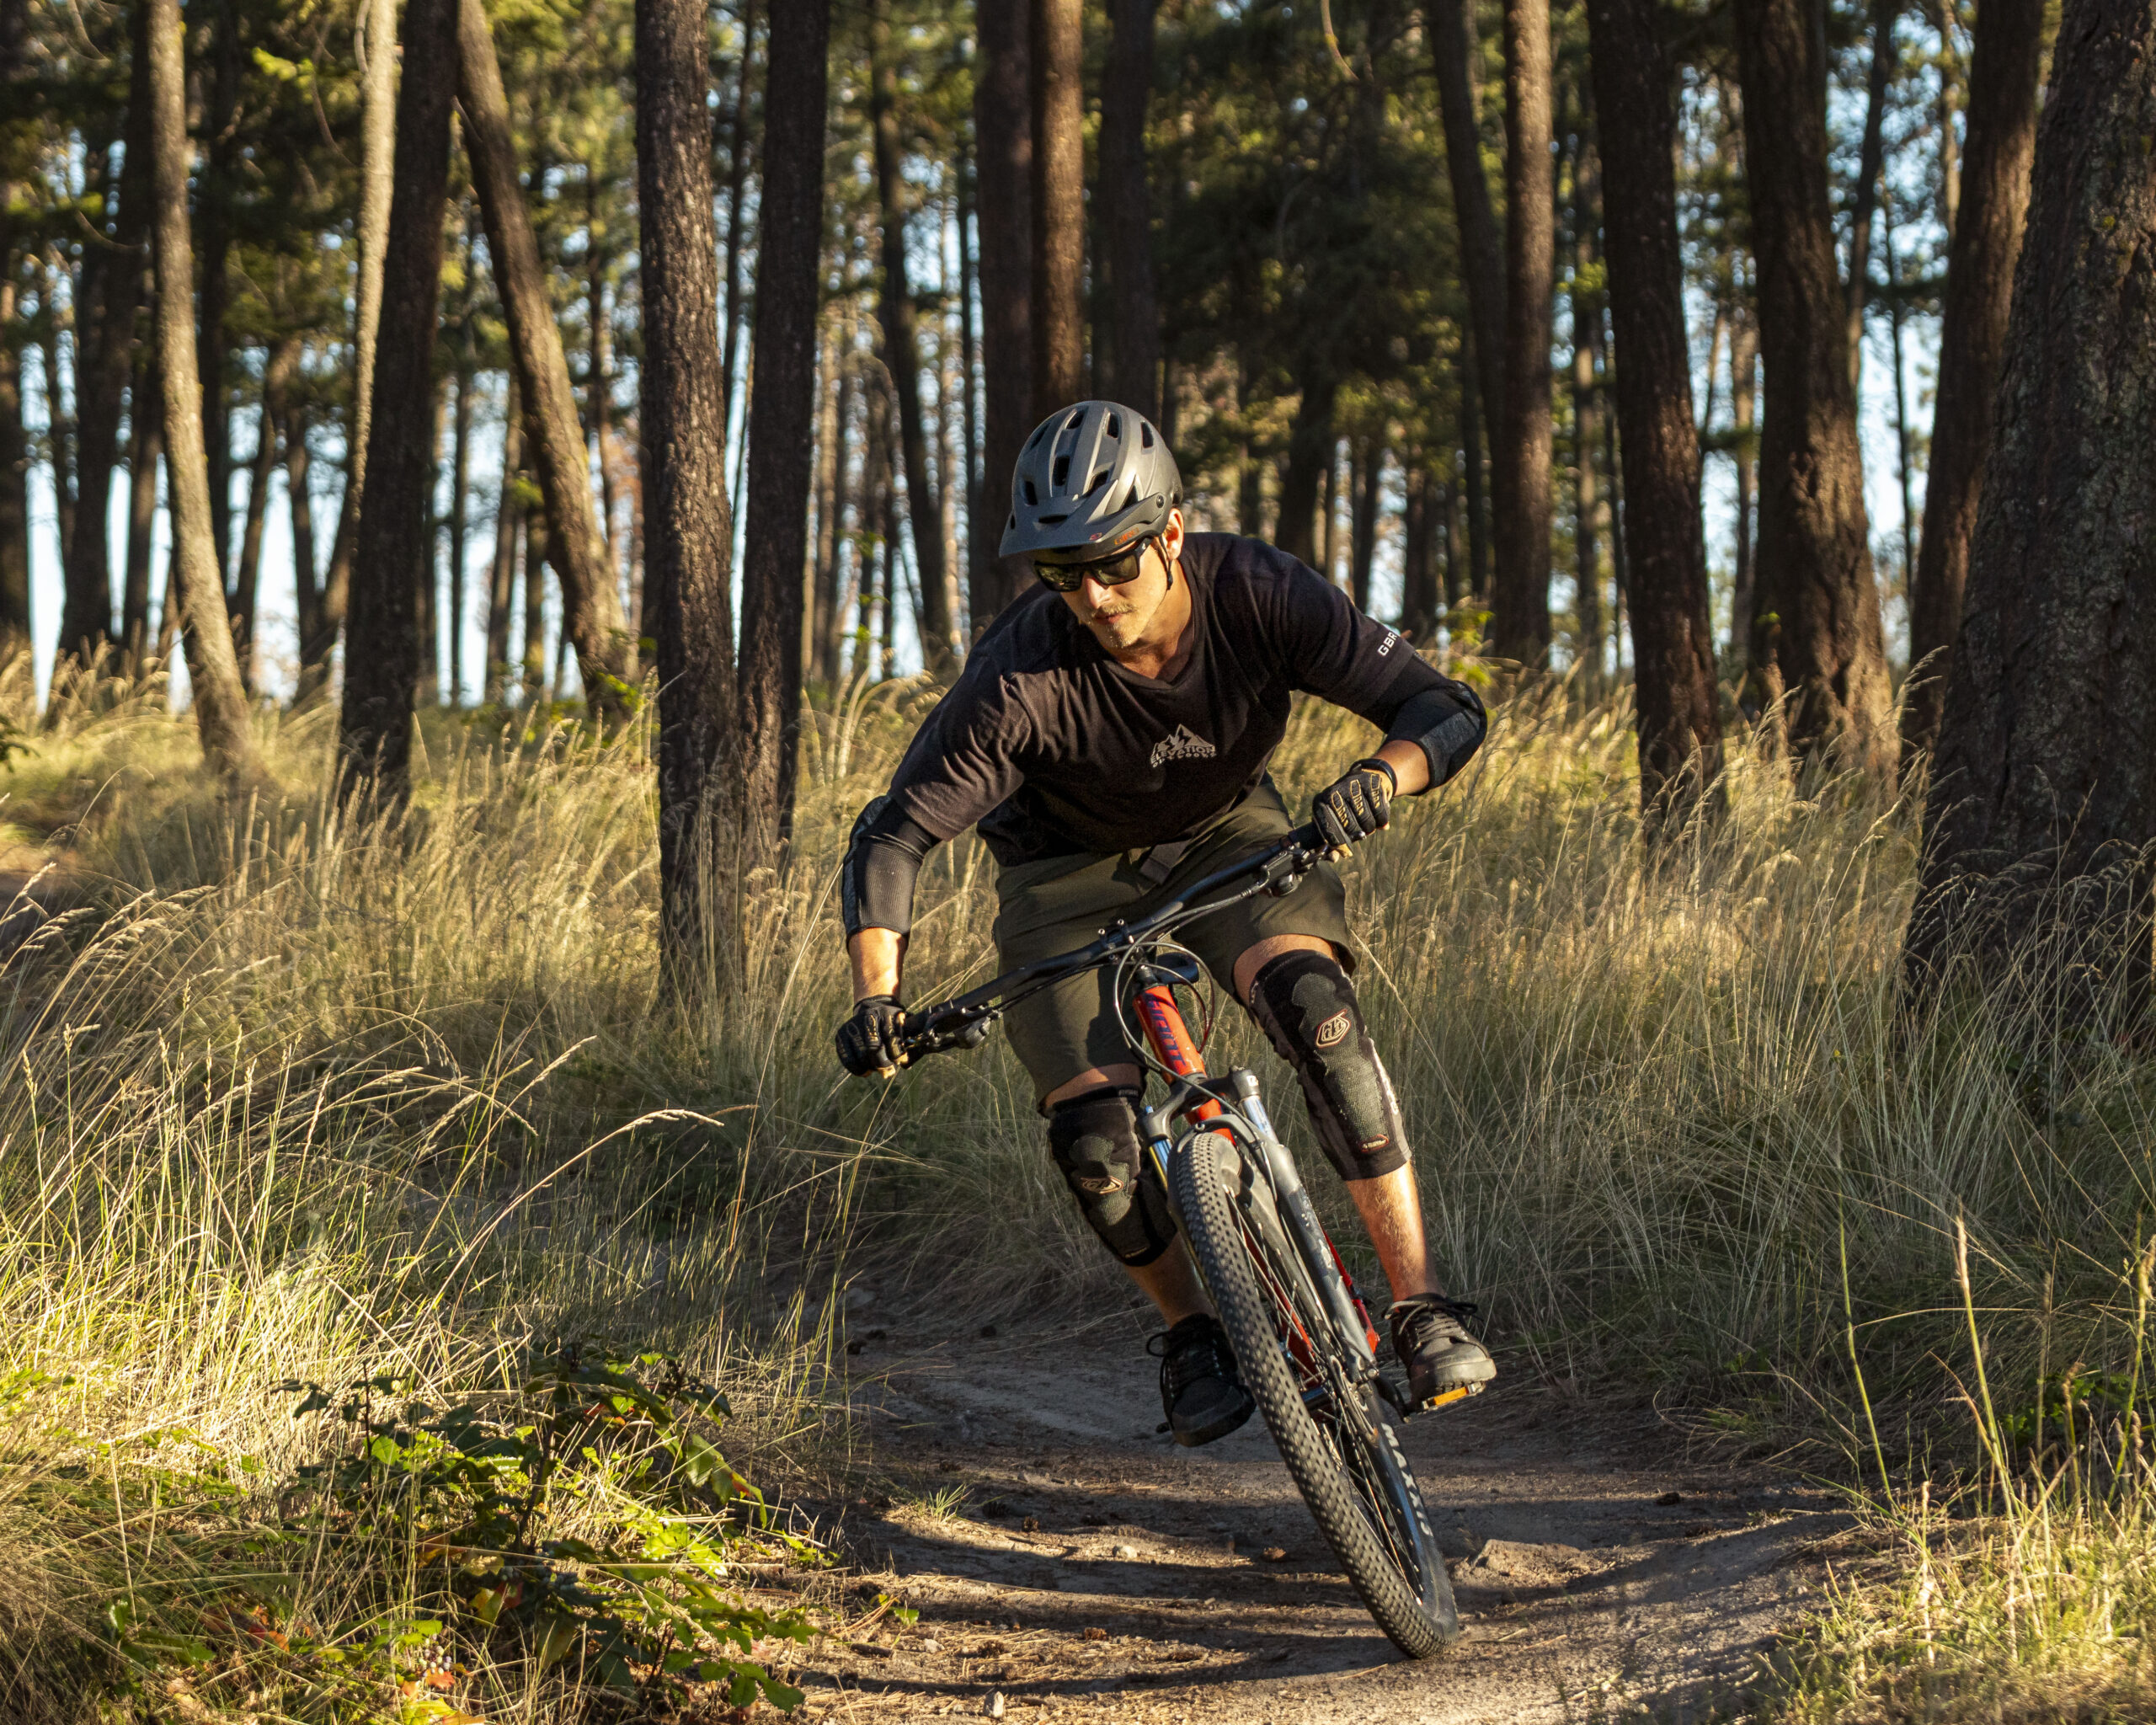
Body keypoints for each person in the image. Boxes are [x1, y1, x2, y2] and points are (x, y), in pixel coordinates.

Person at [834, 400, 1495, 1446]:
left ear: (1171, 533)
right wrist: (877, 995)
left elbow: (1444, 708)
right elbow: (894, 834)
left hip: (1228, 832)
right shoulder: (1019, 679)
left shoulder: (1263, 594)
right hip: (1060, 875)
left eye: (1112, 564)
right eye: (1062, 575)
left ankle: (1419, 1305)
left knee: (1319, 1015)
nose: (1092, 598)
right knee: (1095, 1142)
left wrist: (1381, 776)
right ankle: (1194, 1330)